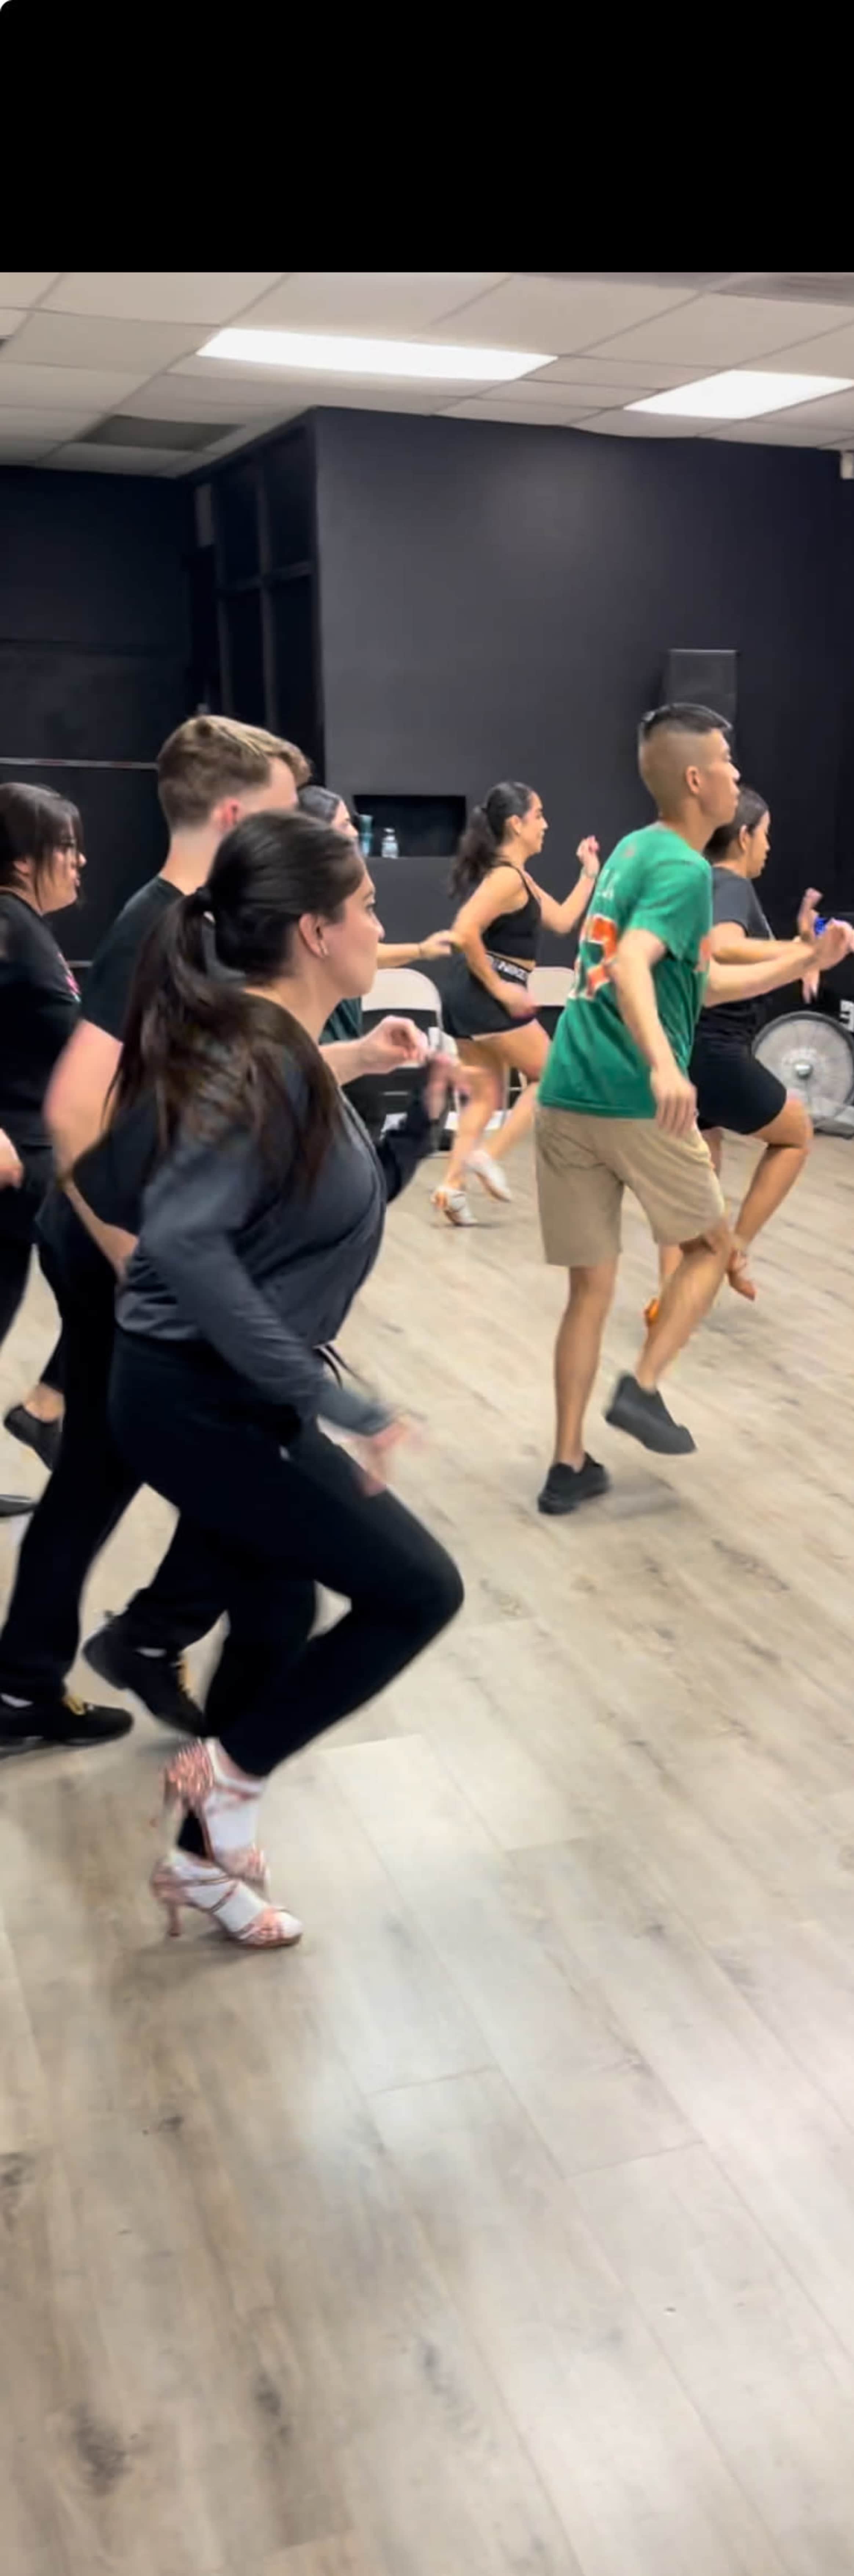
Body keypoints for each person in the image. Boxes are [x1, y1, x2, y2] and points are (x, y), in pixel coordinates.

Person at [0, 718, 429, 1759]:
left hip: (153, 1257)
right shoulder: (162, 925)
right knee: (127, 1466)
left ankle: (141, 1672)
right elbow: (76, 1109)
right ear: (237, 817)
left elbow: (211, 1098)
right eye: (289, 812)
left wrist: (360, 1064)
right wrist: (140, 1258)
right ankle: (72, 1675)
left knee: (149, 1480)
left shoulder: (199, 934)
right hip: (123, 1250)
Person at [80, 810, 464, 1945]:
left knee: (278, 1607)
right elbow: (189, 1246)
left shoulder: (277, 1048)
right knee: (417, 1590)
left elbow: (299, 1220)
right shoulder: (256, 1062)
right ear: (315, 931)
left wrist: (410, 1136)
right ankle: (227, 1782)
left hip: (217, 1392)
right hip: (196, 1399)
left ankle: (204, 1868)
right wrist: (344, 1402)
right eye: (369, 910)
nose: (381, 926)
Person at [533, 703, 854, 1516]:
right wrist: (661, 1066)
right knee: (718, 1245)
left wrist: (803, 957)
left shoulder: (637, 851)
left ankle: (567, 1464)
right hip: (631, 1097)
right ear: (694, 779)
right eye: (727, 761)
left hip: (565, 1090)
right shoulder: (682, 869)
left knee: (589, 1291)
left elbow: (701, 981)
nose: (737, 775)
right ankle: (642, 1387)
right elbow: (639, 967)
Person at [644, 786, 818, 1323]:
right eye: (765, 834)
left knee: (700, 1171)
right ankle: (734, 1247)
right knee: (795, 1133)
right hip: (713, 1049)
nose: (768, 846)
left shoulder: (701, 883)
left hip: (686, 1047)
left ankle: (670, 1297)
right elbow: (720, 947)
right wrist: (798, 951)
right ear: (743, 836)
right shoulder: (730, 885)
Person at [433, 783, 600, 1223]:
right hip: (486, 992)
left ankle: (452, 1188)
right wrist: (500, 986)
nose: (546, 824)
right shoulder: (506, 878)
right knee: (554, 1076)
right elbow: (464, 929)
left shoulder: (517, 876)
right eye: (540, 815)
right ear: (516, 823)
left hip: (466, 995)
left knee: (486, 1096)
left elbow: (563, 920)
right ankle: (487, 1157)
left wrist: (589, 874)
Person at [0, 783, 84, 1472]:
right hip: (19, 1158)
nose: (80, 860)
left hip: (33, 1154)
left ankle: (46, 1405)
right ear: (24, 859)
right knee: (120, 1278)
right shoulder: (5, 923)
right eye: (66, 846)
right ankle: (46, 1405)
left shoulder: (27, 928)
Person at [298, 786, 455, 1048]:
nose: (355, 833)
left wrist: (421, 951)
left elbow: (362, 952)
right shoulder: (309, 893)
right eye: (345, 824)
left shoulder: (341, 881)